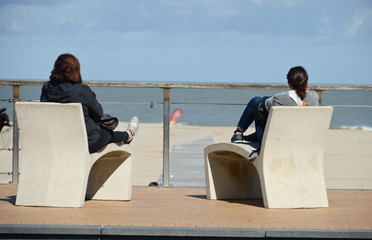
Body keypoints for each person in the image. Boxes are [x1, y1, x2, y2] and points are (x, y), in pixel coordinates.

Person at [41, 53, 139, 153]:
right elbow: (99, 113)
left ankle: (127, 135)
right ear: (76, 70)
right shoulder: (82, 91)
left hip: (56, 141)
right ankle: (128, 135)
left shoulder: (46, 89)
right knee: (107, 133)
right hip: (86, 143)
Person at [230, 66, 319, 159]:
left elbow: (262, 105)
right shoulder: (314, 97)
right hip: (302, 139)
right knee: (260, 101)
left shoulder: (280, 98)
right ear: (307, 81)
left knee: (256, 102)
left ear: (289, 83)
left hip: (278, 140)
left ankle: (238, 133)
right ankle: (246, 135)